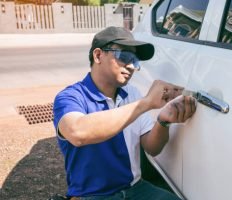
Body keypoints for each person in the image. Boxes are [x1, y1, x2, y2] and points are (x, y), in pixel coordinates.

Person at [53, 26, 197, 200]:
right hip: (91, 195)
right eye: (124, 56)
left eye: (135, 60)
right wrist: (146, 103)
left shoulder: (132, 94)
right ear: (98, 55)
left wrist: (163, 121)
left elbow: (152, 148)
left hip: (135, 189)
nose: (131, 66)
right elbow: (78, 133)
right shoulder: (70, 97)